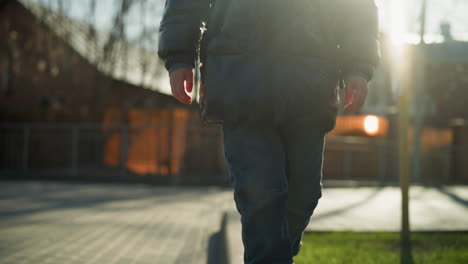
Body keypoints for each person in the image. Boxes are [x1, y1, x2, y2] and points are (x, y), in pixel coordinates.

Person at [158, 0, 380, 263]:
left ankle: (275, 254)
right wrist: (179, 57)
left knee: (305, 195)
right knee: (261, 198)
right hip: (239, 80)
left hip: (310, 83)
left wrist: (358, 66)